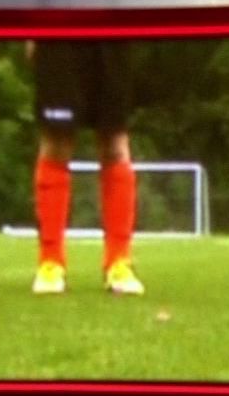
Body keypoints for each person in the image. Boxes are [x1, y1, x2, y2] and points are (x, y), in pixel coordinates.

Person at [28, 40, 144, 296]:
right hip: (59, 32)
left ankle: (119, 262)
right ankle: (50, 262)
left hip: (112, 33)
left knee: (114, 142)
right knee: (57, 141)